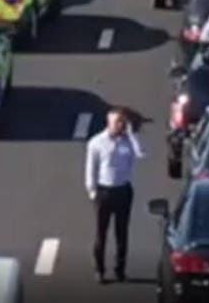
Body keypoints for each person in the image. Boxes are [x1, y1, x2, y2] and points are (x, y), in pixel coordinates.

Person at [84, 107, 143, 283]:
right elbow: (90, 169)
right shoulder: (96, 142)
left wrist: (133, 135)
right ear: (109, 122)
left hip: (123, 190)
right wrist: (92, 191)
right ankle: (99, 270)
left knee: (122, 232)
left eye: (123, 122)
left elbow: (141, 154)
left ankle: (120, 269)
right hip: (104, 191)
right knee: (101, 233)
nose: (121, 125)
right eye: (118, 121)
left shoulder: (127, 141)